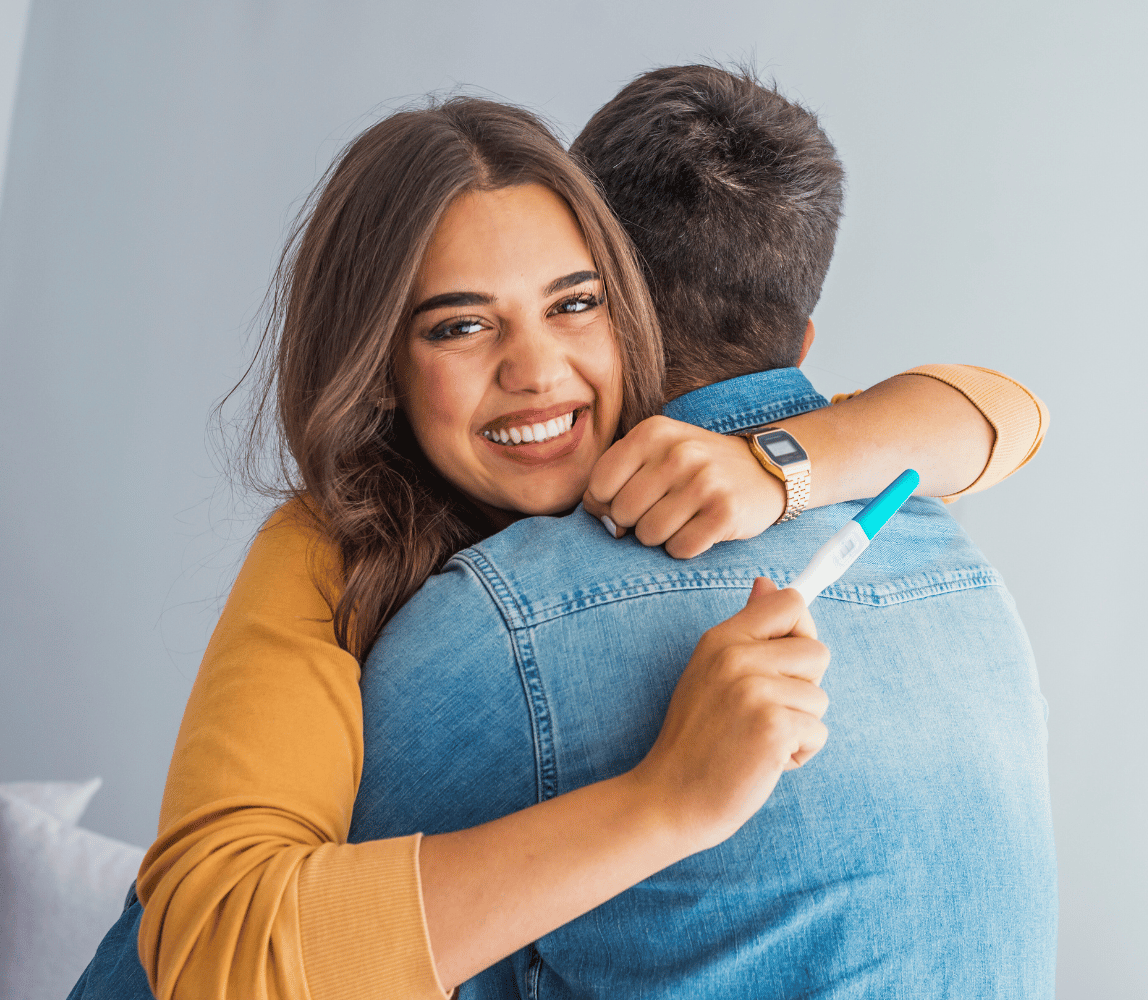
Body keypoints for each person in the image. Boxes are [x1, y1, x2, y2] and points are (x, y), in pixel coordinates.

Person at [70, 88, 1047, 1000]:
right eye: (460, 326)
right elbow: (203, 948)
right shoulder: (327, 549)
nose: (536, 370)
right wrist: (667, 799)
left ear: (633, 316)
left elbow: (1002, 411)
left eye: (573, 304)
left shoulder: (684, 461)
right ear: (379, 371)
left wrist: (782, 466)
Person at [346, 65, 1056, 998]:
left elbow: (242, 955)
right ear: (803, 345)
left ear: (606, 307)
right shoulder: (968, 580)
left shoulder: (503, 625)